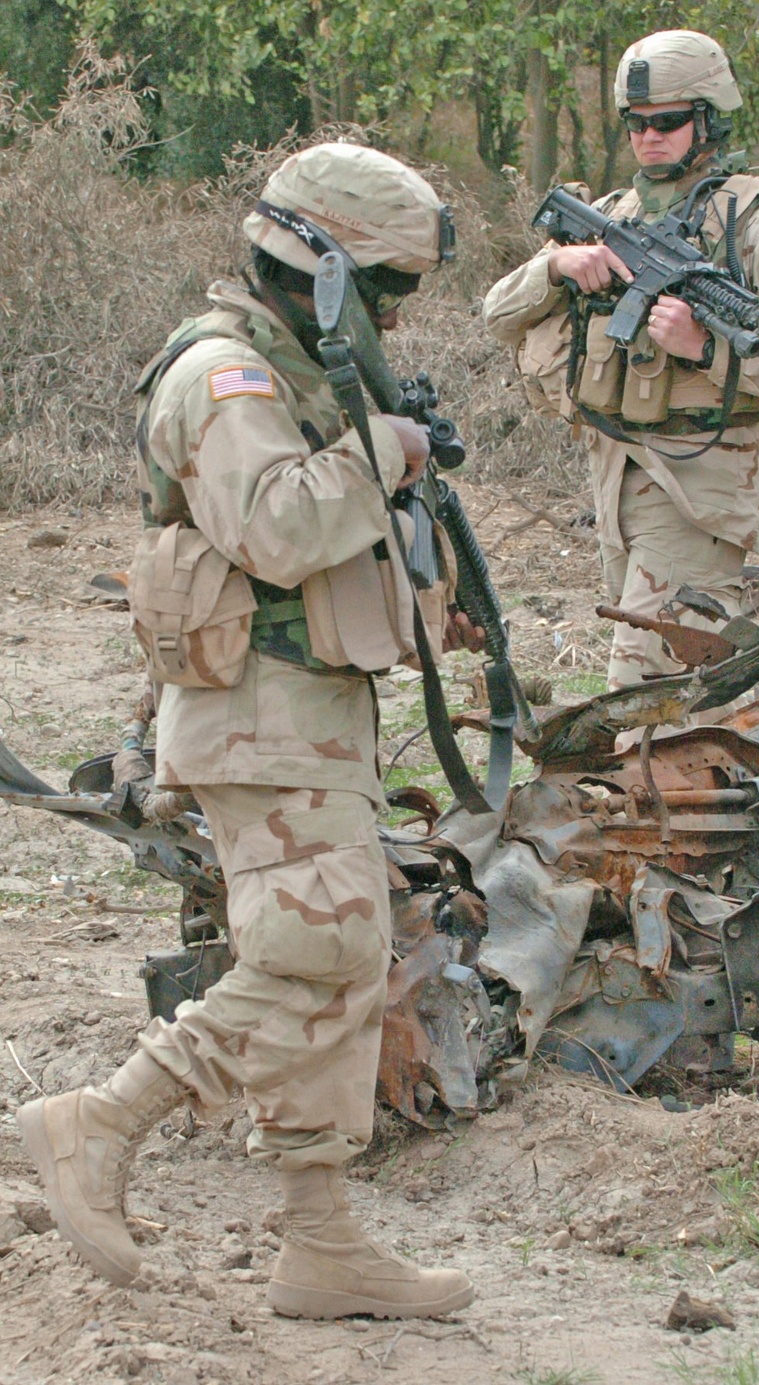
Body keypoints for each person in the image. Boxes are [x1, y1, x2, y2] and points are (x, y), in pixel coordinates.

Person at [17, 141, 475, 1321]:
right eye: (381, 288)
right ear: (316, 269)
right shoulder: (222, 375)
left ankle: (320, 1241)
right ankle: (99, 1118)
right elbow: (273, 529)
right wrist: (385, 453)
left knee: (343, 957)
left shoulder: (293, 373)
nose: (386, 314)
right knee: (309, 953)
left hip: (307, 709)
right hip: (256, 712)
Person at [483, 29, 759, 695]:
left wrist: (705, 348)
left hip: (697, 490)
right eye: (636, 124)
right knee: (684, 693)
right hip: (614, 479)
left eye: (668, 123)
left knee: (642, 693)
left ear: (707, 119)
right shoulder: (612, 215)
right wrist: (557, 266)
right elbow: (496, 315)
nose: (650, 138)